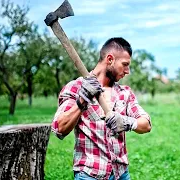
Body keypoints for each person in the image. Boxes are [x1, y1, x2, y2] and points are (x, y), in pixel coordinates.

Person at [51, 37, 152, 180]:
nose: (128, 71)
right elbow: (60, 129)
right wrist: (82, 100)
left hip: (121, 174)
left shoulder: (124, 92)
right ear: (110, 59)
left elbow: (146, 125)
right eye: (125, 64)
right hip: (89, 175)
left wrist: (128, 122)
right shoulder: (75, 88)